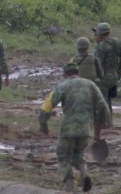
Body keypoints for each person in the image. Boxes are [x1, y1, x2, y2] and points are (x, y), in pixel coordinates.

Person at [38, 62, 110, 193]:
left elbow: (44, 110)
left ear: (64, 75)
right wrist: (100, 127)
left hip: (68, 129)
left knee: (63, 155)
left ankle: (70, 186)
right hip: (87, 128)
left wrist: (44, 128)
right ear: (78, 73)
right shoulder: (91, 85)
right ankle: (84, 174)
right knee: (79, 153)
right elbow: (103, 107)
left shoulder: (62, 86)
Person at [93, 22, 121, 123]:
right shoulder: (117, 42)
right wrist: (119, 70)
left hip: (103, 77)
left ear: (101, 34)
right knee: (109, 100)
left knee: (103, 101)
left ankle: (105, 122)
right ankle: (109, 120)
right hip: (114, 76)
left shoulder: (100, 47)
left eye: (96, 34)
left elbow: (97, 64)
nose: (95, 37)